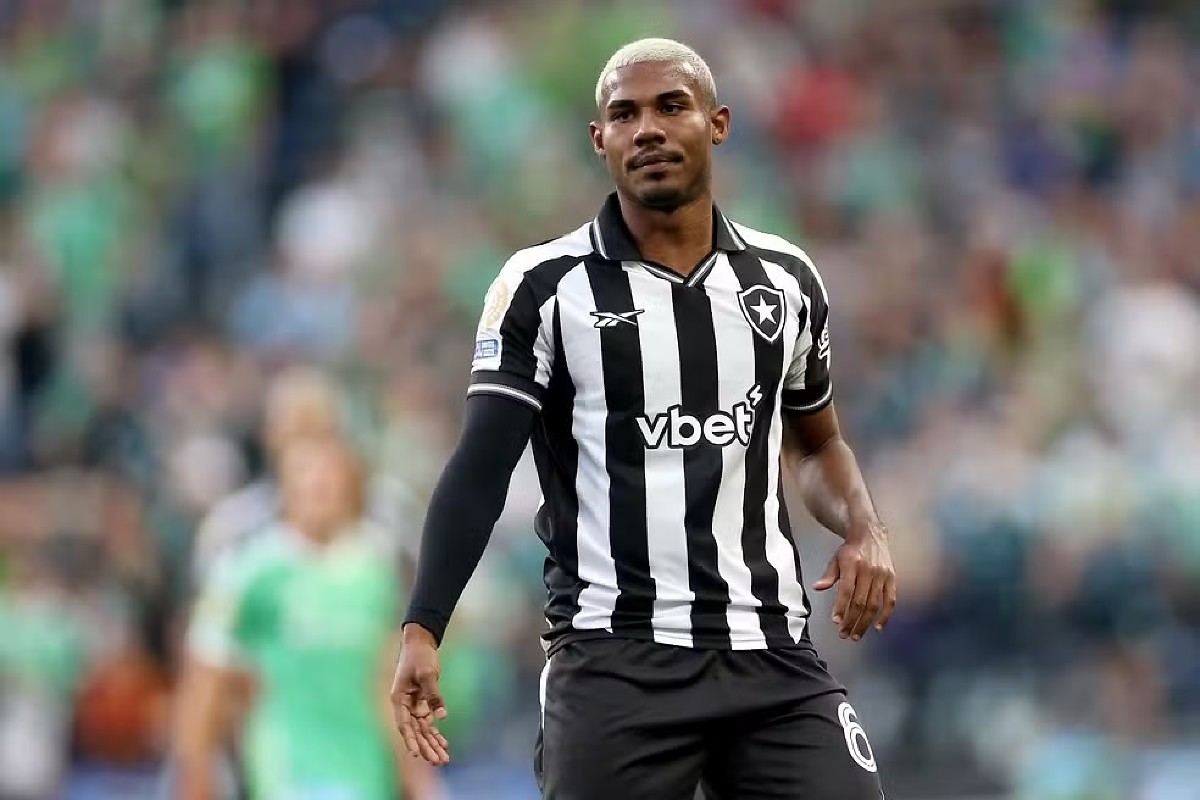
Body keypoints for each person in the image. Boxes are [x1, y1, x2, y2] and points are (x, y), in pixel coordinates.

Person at [391, 38, 896, 799]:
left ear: (718, 123)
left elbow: (816, 444)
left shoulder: (785, 279)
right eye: (625, 115)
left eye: (671, 106)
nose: (648, 129)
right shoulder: (543, 287)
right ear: (600, 140)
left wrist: (863, 525)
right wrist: (424, 624)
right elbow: (480, 469)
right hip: (614, 659)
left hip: (768, 650)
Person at [174, 434, 440, 800]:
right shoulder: (250, 571)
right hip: (287, 774)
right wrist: (195, 776)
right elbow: (207, 681)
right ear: (284, 486)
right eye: (304, 472)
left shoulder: (375, 572)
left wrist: (417, 777)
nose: (318, 483)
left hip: (365, 773)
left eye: (328, 472)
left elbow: (385, 683)